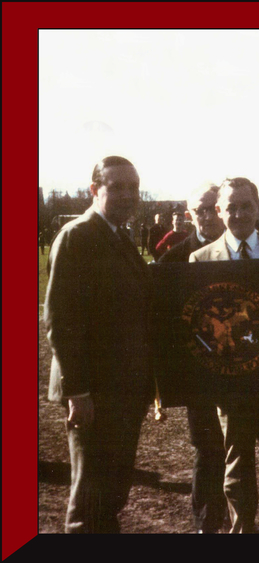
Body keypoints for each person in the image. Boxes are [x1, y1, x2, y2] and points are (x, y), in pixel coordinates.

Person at [44, 156, 152, 533]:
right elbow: (60, 320)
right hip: (93, 394)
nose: (127, 195)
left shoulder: (118, 235)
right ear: (94, 190)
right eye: (117, 187)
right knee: (89, 502)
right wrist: (78, 391)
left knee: (110, 496)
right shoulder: (79, 236)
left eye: (133, 187)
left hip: (122, 389)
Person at [189, 177, 259, 533]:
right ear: (218, 211)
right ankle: (242, 532)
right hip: (230, 387)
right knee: (237, 468)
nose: (238, 214)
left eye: (245, 206)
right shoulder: (200, 259)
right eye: (230, 207)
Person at [158, 184, 228, 533]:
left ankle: (234, 514)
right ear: (190, 213)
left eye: (214, 208)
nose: (207, 215)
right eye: (200, 209)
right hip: (198, 374)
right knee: (206, 448)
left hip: (238, 369)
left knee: (236, 448)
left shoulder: (246, 254)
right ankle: (205, 521)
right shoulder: (172, 261)